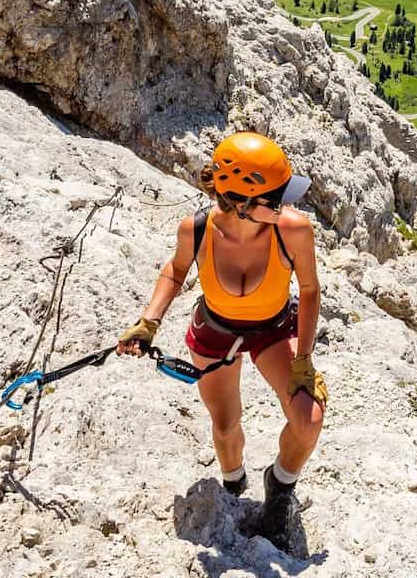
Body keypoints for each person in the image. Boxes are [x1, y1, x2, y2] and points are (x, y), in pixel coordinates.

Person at [117, 132, 327, 546]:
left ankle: (280, 488)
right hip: (216, 330)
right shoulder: (195, 230)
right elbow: (176, 272)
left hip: (273, 328)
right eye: (275, 198)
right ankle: (233, 486)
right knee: (226, 424)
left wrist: (303, 360)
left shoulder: (294, 230)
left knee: (308, 419)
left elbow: (309, 291)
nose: (285, 205)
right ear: (244, 203)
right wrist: (148, 322)